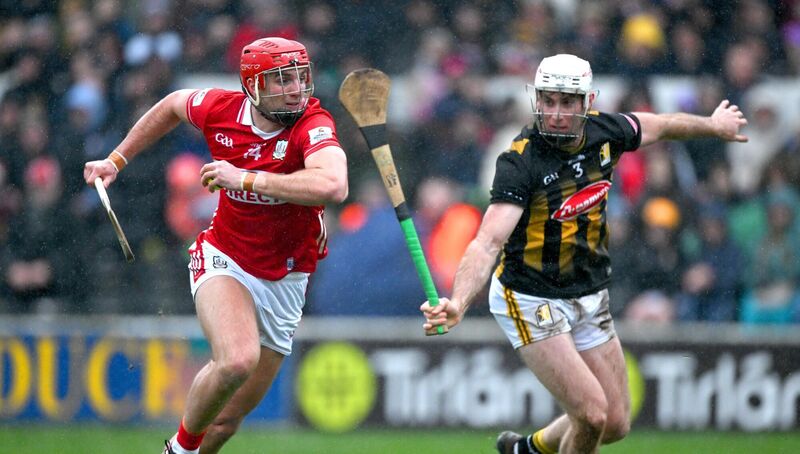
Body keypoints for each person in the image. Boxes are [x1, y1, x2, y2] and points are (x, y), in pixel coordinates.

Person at [420, 54, 747, 454]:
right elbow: (487, 242)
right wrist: (458, 300)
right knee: (591, 414)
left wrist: (713, 126)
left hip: (589, 292)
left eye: (567, 102)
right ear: (537, 99)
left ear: (586, 102)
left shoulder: (607, 131)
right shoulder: (520, 161)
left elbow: (661, 124)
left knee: (615, 423)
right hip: (531, 297)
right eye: (549, 100)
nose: (556, 113)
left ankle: (529, 449)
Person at [83, 37, 348, 454]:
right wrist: (115, 160)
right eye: (282, 80)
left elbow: (333, 184)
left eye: (300, 77)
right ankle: (178, 450)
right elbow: (172, 105)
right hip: (225, 257)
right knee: (237, 360)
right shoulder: (221, 109)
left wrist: (244, 178)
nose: (296, 88)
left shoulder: (312, 123)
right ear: (253, 86)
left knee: (224, 423)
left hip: (288, 277)